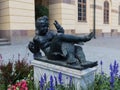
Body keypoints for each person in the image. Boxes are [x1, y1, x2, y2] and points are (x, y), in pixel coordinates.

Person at [28, 16, 97, 67]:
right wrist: (32, 49)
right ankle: (83, 38)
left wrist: (59, 28)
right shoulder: (37, 38)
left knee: (77, 48)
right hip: (51, 55)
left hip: (59, 53)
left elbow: (61, 36)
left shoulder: (50, 33)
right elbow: (37, 52)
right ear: (38, 27)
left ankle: (83, 61)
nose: (45, 28)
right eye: (43, 27)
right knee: (59, 37)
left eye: (47, 26)